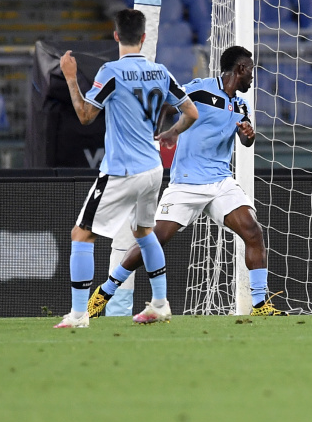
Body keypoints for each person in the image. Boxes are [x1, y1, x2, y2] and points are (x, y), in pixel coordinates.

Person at [88, 45, 285, 318]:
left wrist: (248, 133)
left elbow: (246, 141)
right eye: (250, 71)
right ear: (240, 69)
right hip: (187, 183)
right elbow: (166, 103)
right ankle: (105, 292)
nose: (253, 77)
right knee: (154, 240)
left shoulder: (242, 104)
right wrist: (155, 130)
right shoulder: (200, 90)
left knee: (253, 232)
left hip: (220, 182)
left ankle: (261, 304)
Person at [55, 8, 199, 328]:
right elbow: (190, 112)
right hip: (152, 170)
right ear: (144, 38)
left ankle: (79, 314)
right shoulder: (160, 72)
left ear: (116, 36)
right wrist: (170, 133)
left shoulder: (111, 72)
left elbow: (85, 115)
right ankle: (160, 304)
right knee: (145, 233)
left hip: (123, 170)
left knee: (81, 235)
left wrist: (69, 76)